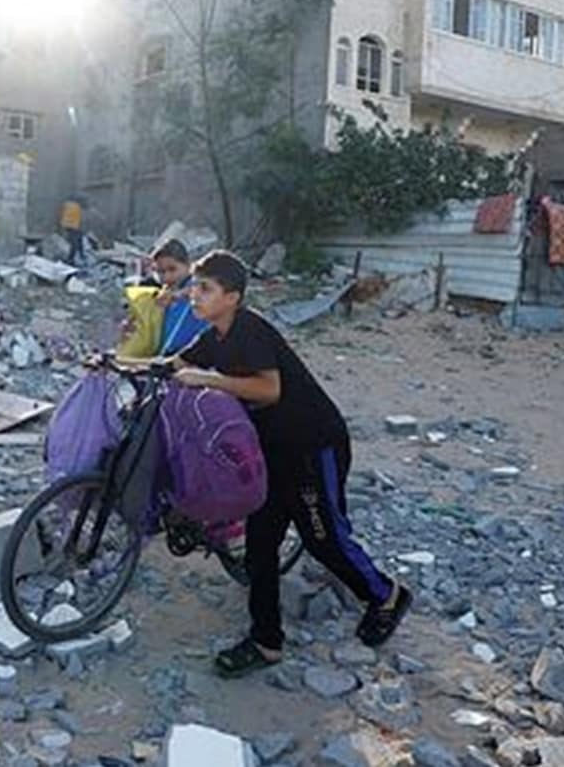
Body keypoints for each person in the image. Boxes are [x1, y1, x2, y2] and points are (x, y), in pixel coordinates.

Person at [172, 250, 410, 676]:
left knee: (324, 537)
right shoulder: (213, 335)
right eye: (194, 286)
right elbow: (177, 365)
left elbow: (268, 390)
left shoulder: (251, 329)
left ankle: (386, 595)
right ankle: (266, 642)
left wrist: (209, 379)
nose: (195, 295)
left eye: (205, 288)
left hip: (311, 445)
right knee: (260, 547)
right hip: (270, 450)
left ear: (232, 297)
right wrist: (120, 366)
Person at [150, 238, 210, 356]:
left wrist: (178, 295)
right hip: (166, 355)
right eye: (161, 272)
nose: (166, 277)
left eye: (172, 269)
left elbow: (204, 289)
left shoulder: (196, 285)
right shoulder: (164, 292)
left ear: (188, 265)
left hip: (196, 355)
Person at [59, 196, 85, 265]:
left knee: (77, 242)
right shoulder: (75, 207)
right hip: (73, 227)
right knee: (75, 243)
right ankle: (71, 259)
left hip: (71, 226)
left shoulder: (68, 205)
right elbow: (76, 218)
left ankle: (80, 256)